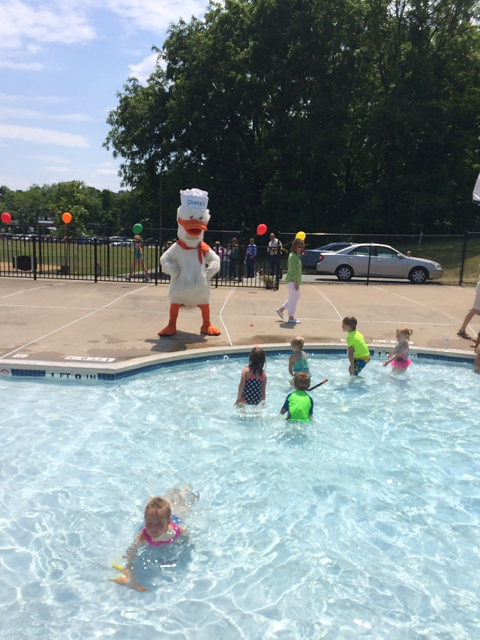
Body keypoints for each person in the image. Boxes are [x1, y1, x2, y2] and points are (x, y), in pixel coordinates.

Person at [112, 487, 198, 591]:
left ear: (168, 522)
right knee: (162, 507)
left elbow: (187, 535)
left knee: (183, 507)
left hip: (175, 518)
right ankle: (158, 500)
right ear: (145, 521)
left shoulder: (176, 531)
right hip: (161, 516)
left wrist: (187, 546)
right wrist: (131, 572)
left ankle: (184, 490)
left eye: (158, 524)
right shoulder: (143, 536)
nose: (153, 529)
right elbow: (131, 552)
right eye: (149, 524)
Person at [276, 237, 304, 324]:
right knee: (294, 299)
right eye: (299, 246)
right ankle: (291, 317)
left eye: (302, 247)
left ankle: (281, 310)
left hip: (293, 281)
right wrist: (295, 282)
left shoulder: (296, 256)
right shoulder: (292, 256)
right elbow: (293, 271)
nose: (300, 248)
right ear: (295, 246)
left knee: (294, 298)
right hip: (292, 281)